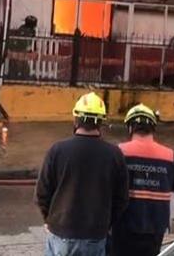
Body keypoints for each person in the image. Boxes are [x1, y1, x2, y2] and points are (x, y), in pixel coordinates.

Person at [35, 92, 129, 256]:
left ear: (76, 119)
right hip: (94, 235)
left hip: (60, 233)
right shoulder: (114, 154)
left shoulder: (57, 150)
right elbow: (121, 200)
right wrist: (104, 224)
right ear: (101, 122)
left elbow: (42, 193)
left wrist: (49, 220)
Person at [111, 104, 174, 256]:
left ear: (131, 127)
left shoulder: (119, 151)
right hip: (156, 227)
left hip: (124, 225)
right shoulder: (169, 155)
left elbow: (110, 186)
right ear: (153, 128)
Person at [8, 15, 38, 80]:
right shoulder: (23, 30)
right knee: (17, 66)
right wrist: (28, 49)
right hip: (17, 50)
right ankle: (13, 79)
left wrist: (30, 50)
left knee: (23, 67)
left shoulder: (30, 31)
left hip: (22, 51)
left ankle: (19, 78)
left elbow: (31, 41)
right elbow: (23, 42)